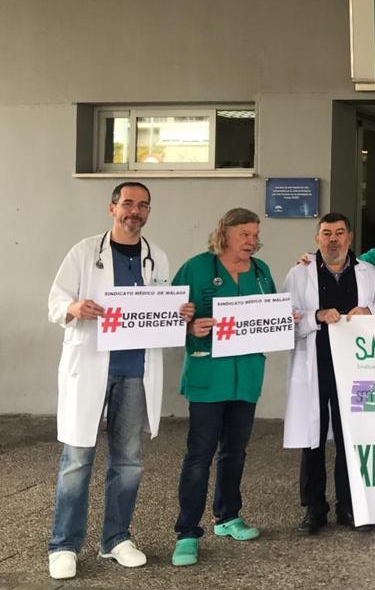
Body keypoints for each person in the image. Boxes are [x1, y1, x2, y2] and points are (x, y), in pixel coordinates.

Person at [45, 182, 193, 580]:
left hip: (135, 371)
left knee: (128, 462)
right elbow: (55, 302)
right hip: (90, 364)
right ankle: (64, 545)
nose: (135, 211)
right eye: (128, 203)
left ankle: (115, 538)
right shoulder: (83, 252)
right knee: (77, 460)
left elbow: (160, 307)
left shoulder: (155, 257)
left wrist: (178, 313)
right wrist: (74, 306)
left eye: (143, 206)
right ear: (112, 208)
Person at [171, 208, 282, 567]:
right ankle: (187, 532)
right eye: (244, 234)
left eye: (254, 235)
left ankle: (228, 516)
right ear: (225, 233)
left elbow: (269, 313)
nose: (251, 241)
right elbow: (169, 314)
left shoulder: (262, 272)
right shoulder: (197, 267)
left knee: (235, 451)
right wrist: (189, 327)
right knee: (199, 455)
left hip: (246, 374)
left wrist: (284, 319)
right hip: (209, 374)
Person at [282, 213, 375, 535]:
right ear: (317, 239)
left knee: (352, 437)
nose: (333, 240)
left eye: (340, 233)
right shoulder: (299, 273)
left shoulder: (367, 272)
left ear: (350, 238)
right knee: (312, 439)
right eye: (326, 233)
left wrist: (369, 312)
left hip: (356, 368)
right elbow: (283, 320)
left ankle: (349, 506)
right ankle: (314, 509)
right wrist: (314, 316)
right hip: (316, 365)